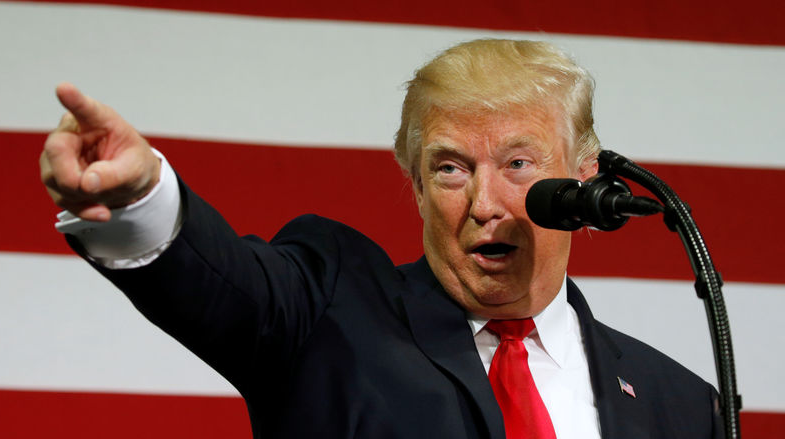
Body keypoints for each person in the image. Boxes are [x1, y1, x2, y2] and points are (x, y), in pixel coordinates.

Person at [40, 39, 723, 438]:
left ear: (582, 181)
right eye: (450, 168)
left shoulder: (683, 405)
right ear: (418, 185)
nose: (484, 204)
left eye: (519, 164)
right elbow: (228, 285)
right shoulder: (328, 314)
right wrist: (139, 199)